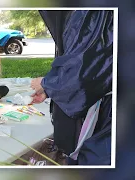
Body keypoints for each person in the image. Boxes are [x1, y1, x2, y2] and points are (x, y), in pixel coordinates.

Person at [30, 10, 113, 165]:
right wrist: (49, 91)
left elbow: (85, 70)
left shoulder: (97, 13)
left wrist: (47, 82)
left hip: (104, 119)